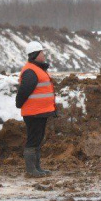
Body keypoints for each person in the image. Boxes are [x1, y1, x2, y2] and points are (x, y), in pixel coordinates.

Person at [15, 41, 57, 177]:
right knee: (33, 140)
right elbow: (24, 91)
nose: (44, 55)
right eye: (42, 53)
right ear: (35, 55)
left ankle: (37, 168)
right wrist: (19, 103)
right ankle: (31, 170)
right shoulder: (31, 71)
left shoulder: (37, 69)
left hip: (40, 111)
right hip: (34, 112)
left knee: (38, 140)